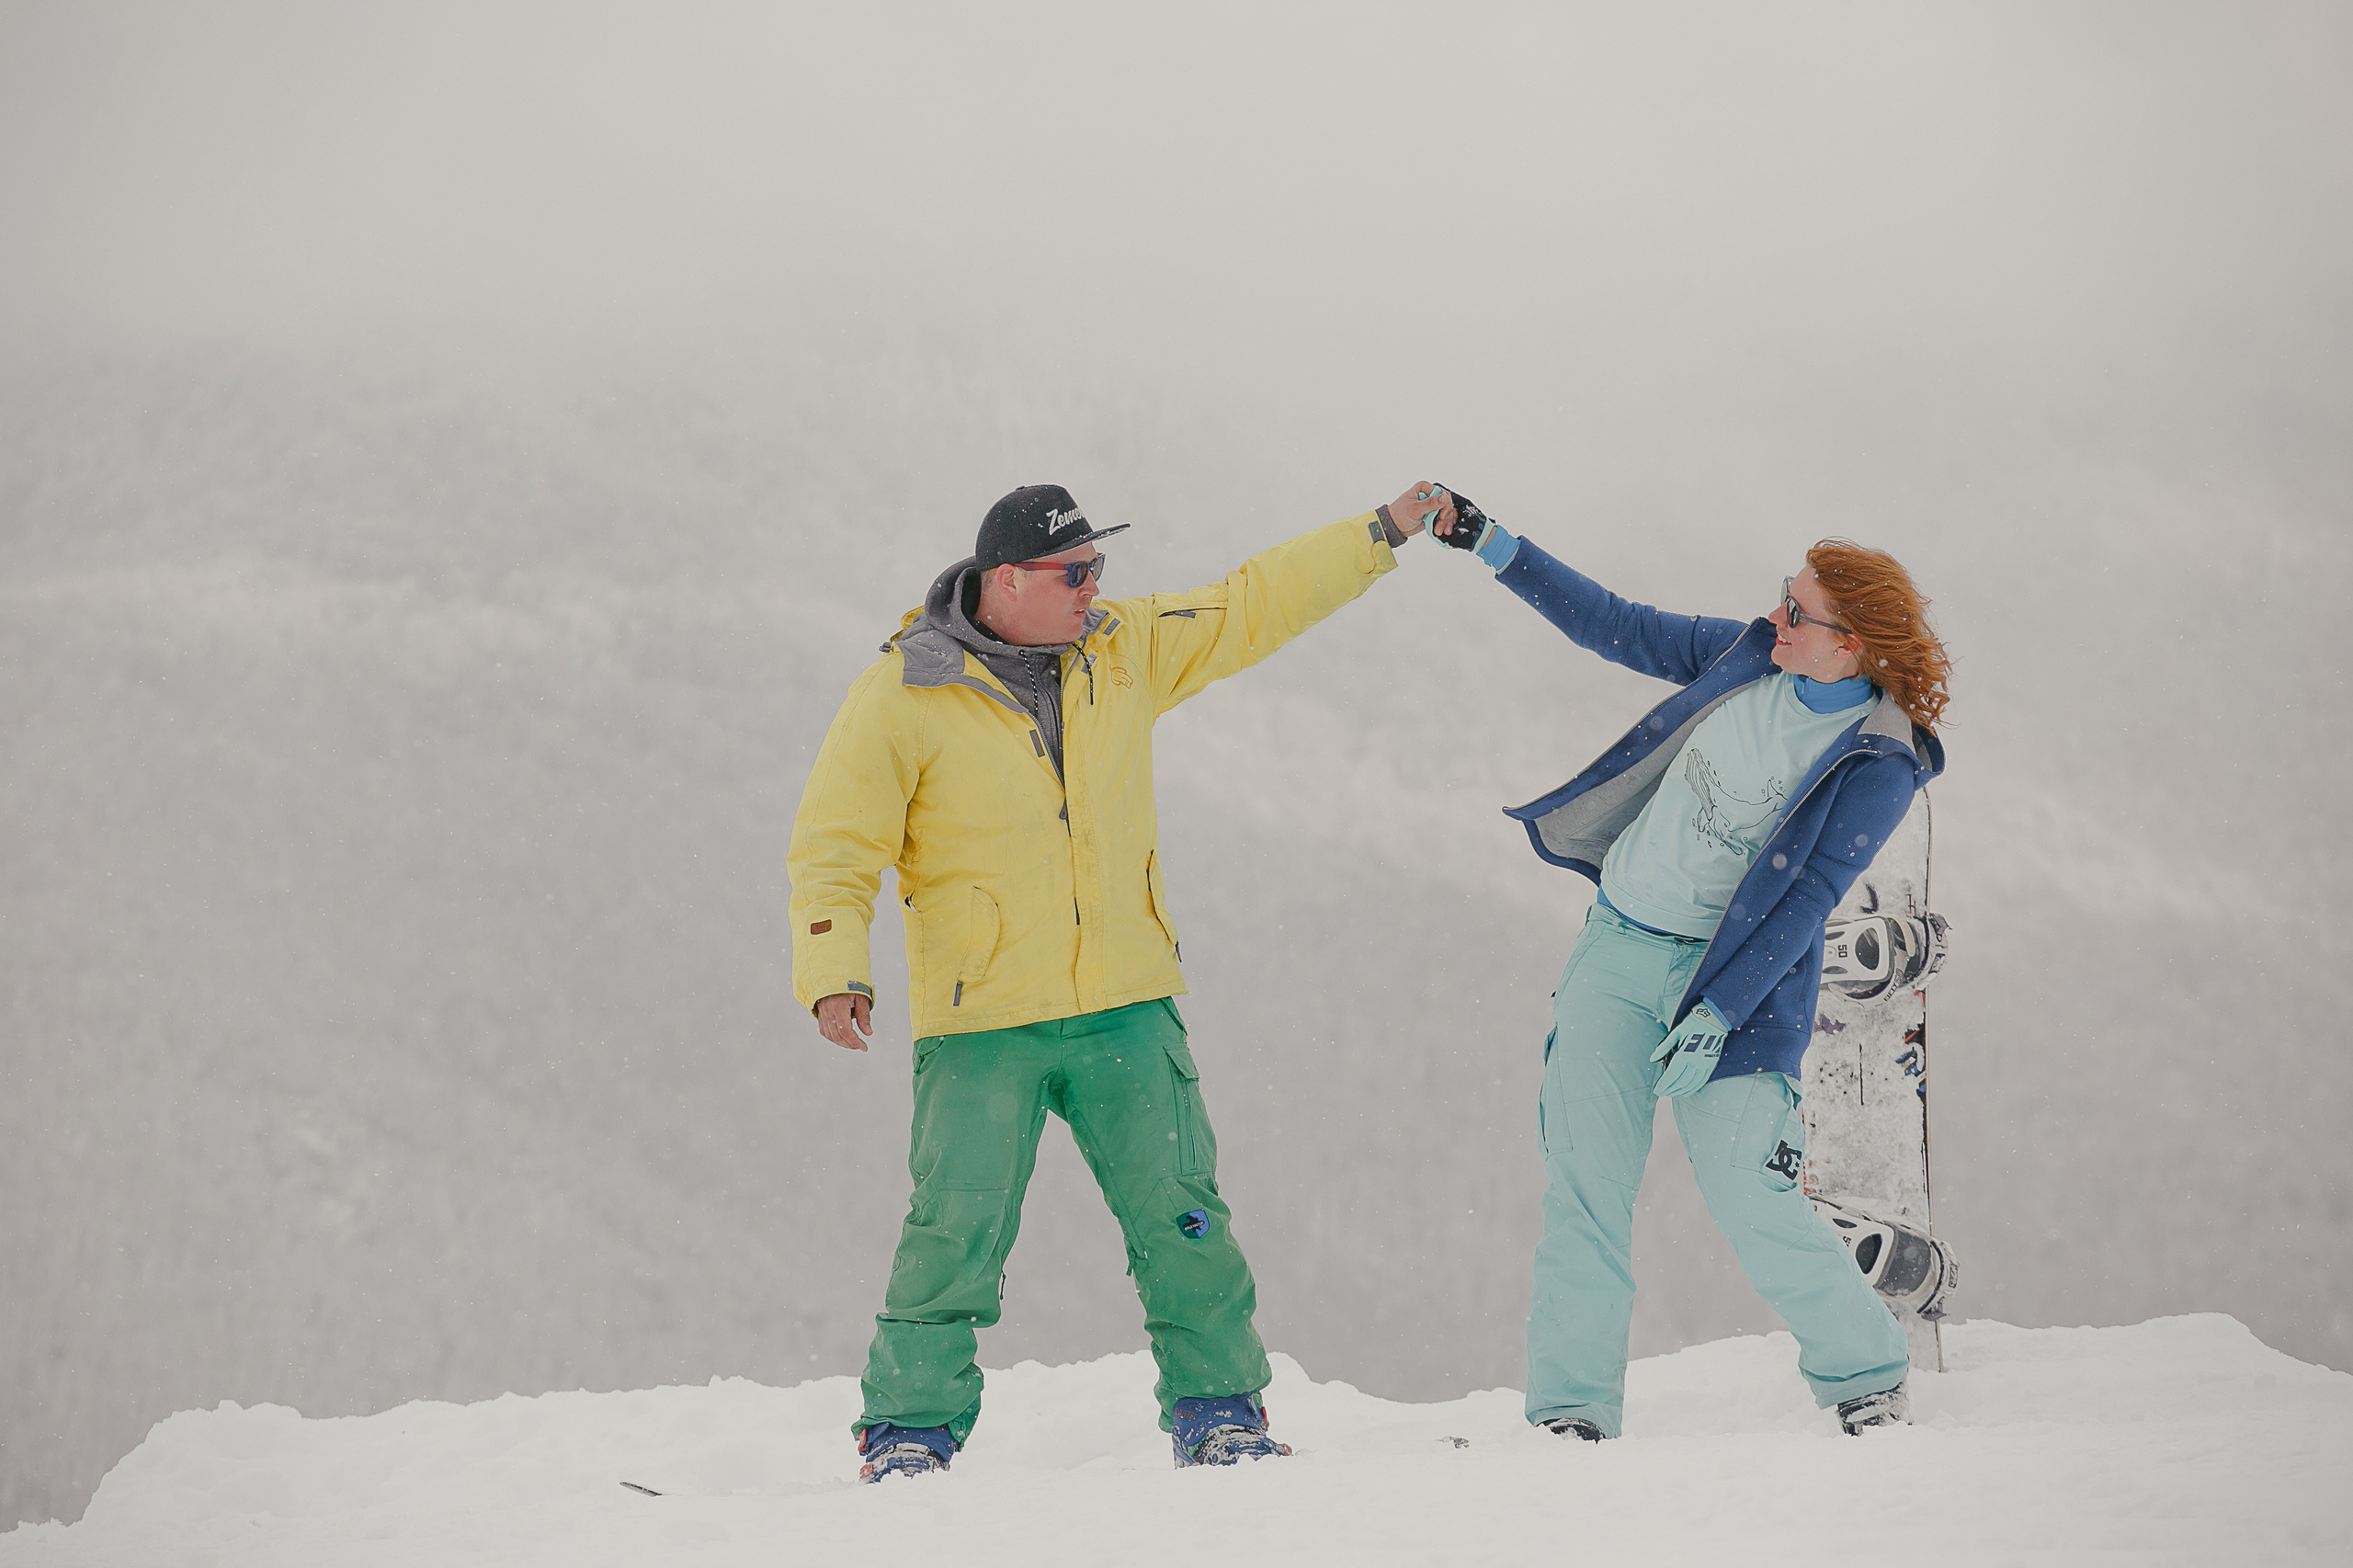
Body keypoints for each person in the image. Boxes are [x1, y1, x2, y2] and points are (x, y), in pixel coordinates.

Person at [790, 479, 1456, 1481]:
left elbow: (1251, 603)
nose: (1095, 586)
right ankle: (908, 1432)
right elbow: (835, 843)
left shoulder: (1123, 647)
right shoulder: (906, 689)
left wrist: (1381, 531)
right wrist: (836, 969)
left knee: (1183, 1216)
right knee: (952, 1229)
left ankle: (1221, 1410)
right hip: (984, 1020)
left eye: (1099, 566)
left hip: (1124, 1004)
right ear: (1006, 579)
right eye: (1075, 571)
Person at [1429, 494, 1951, 1440]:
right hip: (1619, 951)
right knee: (1584, 1186)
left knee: (1749, 1190)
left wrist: (1718, 1008)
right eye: (1781, 599)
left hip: (1738, 990)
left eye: (1798, 612)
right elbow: (1616, 624)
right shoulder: (1747, 654)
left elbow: (1805, 899)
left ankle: (1866, 1374)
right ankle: (1571, 1414)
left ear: (1853, 645)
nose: (1775, 618)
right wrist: (1491, 542)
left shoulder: (1877, 758)